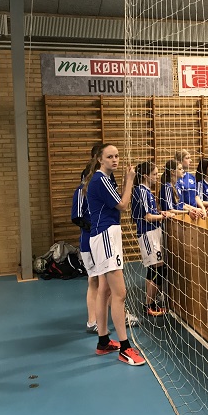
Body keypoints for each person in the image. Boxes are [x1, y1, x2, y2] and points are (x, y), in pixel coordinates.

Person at [84, 144, 145, 366]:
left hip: (104, 236)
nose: (115, 160)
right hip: (106, 236)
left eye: (117, 156)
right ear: (100, 160)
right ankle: (125, 348)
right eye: (110, 157)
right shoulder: (100, 180)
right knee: (120, 293)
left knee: (105, 290)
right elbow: (123, 205)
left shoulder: (106, 179)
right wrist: (130, 181)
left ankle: (103, 341)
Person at [132, 162, 174, 317]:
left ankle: (152, 302)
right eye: (154, 174)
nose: (157, 177)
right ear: (145, 176)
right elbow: (147, 216)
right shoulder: (141, 191)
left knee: (157, 268)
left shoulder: (147, 191)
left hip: (154, 232)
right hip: (148, 233)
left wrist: (161, 213)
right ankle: (148, 305)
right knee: (156, 268)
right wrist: (164, 216)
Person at [71, 182, 99, 334]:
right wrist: (94, 228)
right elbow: (77, 217)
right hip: (89, 242)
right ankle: (92, 321)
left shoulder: (100, 189)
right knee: (95, 280)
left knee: (104, 281)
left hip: (100, 241)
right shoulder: (82, 191)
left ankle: (120, 315)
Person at [174, 150, 206, 218]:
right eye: (187, 158)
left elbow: (196, 196)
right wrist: (193, 209)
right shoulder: (176, 179)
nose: (190, 160)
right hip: (183, 214)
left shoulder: (191, 177)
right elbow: (178, 202)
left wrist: (202, 208)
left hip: (195, 213)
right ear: (179, 161)